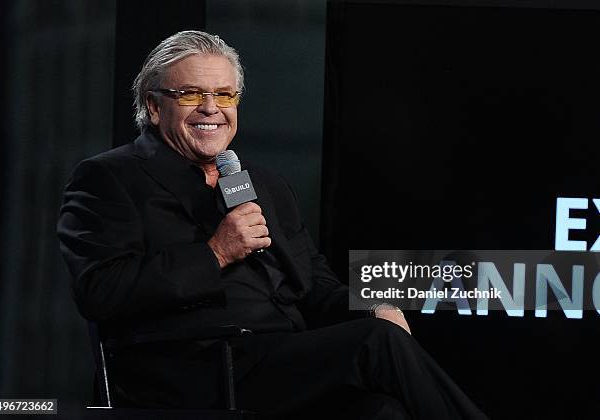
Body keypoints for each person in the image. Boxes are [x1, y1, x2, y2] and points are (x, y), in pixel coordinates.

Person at [57, 30, 487, 419]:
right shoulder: (109, 178)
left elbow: (317, 287)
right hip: (195, 370)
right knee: (376, 342)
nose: (212, 108)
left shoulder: (265, 184)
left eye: (225, 96)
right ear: (153, 106)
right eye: (191, 94)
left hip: (283, 362)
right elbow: (100, 292)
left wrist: (375, 306)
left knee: (382, 411)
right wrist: (215, 253)